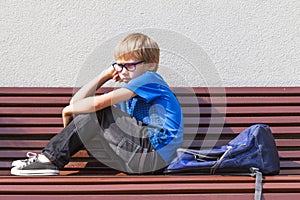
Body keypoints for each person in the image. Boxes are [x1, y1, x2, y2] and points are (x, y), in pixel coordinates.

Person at [10, 33, 184, 176]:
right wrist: (105, 75)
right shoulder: (129, 97)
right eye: (118, 66)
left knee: (99, 108)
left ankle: (50, 160)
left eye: (129, 66)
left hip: (151, 155)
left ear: (150, 65)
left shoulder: (151, 79)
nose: (122, 71)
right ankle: (49, 159)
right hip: (138, 160)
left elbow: (97, 104)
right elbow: (77, 103)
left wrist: (68, 111)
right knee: (95, 109)